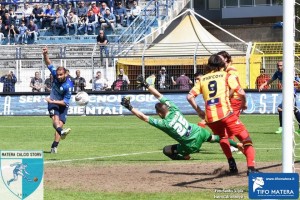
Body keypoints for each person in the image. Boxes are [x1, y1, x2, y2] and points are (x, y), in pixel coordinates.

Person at [120, 75, 242, 161]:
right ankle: (238, 145)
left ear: (160, 114)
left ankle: (184, 156)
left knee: (166, 150)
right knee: (217, 138)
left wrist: (129, 107)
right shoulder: (174, 108)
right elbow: (159, 95)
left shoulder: (164, 123)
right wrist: (146, 85)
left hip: (191, 145)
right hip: (199, 131)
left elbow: (144, 117)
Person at [187, 54, 258, 175]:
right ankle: (251, 169)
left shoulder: (202, 79)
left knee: (223, 137)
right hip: (225, 114)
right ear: (221, 64)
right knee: (246, 139)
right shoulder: (227, 76)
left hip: (210, 118)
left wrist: (199, 111)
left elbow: (189, 97)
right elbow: (241, 92)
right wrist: (243, 104)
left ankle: (231, 163)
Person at [42, 46, 73, 154]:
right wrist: (45, 54)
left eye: (61, 75)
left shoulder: (68, 86)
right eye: (58, 74)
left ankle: (54, 146)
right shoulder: (55, 74)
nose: (59, 76)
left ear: (65, 74)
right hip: (53, 101)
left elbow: (65, 102)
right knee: (55, 120)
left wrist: (52, 101)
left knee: (60, 123)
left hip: (60, 103)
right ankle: (61, 131)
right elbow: (48, 63)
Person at [259, 60, 300, 134]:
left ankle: (281, 127)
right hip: (285, 93)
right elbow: (271, 80)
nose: (279, 67)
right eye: (278, 65)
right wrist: (263, 85)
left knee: (280, 108)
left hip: (291, 93)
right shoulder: (277, 73)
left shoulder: (289, 72)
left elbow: (297, 79)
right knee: (295, 110)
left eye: (281, 65)